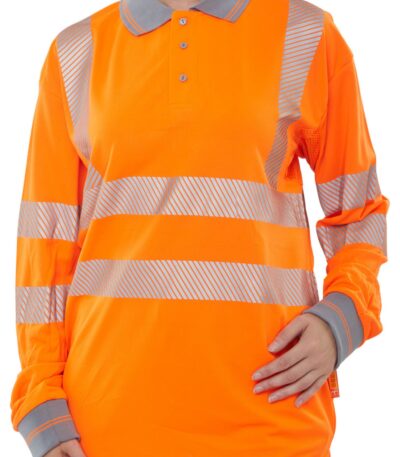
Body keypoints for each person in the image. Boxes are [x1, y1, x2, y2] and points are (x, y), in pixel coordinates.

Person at [10, 0, 390, 456]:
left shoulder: (306, 34)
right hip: (109, 421)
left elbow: (359, 211)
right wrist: (40, 397)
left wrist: (342, 318)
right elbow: (44, 245)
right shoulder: (76, 51)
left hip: (275, 413)